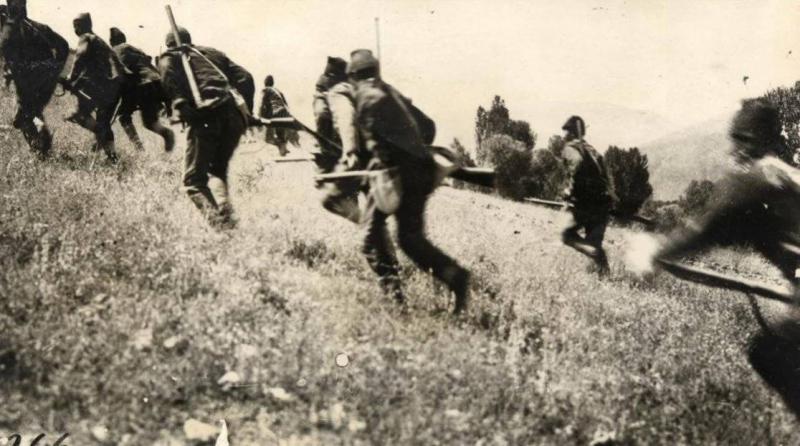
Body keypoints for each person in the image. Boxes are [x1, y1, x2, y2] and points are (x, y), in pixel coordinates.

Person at [631, 98, 800, 419]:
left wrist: (655, 253)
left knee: (768, 353)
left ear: (744, 141)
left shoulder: (754, 179)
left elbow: (706, 230)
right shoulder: (787, 175)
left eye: (738, 140)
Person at [348, 49, 470, 314]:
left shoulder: (365, 97)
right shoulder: (392, 93)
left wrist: (364, 163)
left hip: (396, 175)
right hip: (420, 171)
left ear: (354, 77)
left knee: (370, 240)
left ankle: (396, 304)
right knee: (410, 240)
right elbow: (427, 125)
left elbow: (371, 148)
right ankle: (456, 277)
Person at [158, 26, 249, 229]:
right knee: (217, 170)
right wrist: (247, 113)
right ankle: (227, 217)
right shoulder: (213, 54)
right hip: (234, 117)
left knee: (192, 182)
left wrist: (181, 105)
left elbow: (167, 76)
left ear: (169, 44)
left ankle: (222, 230)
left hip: (207, 115)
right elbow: (245, 77)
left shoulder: (171, 56)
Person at [0, 0, 69, 158]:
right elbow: (63, 46)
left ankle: (41, 151)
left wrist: (10, 74)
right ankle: (42, 148)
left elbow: (8, 52)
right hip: (47, 77)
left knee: (24, 118)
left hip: (27, 78)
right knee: (31, 113)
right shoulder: (40, 27)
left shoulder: (11, 28)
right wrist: (55, 68)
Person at [61, 12, 126, 162]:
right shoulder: (100, 41)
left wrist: (70, 78)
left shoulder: (86, 38)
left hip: (99, 85)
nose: (75, 30)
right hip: (113, 86)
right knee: (103, 121)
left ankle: (100, 134)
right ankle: (112, 158)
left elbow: (79, 58)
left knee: (78, 115)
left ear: (83, 25)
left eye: (76, 26)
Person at [560, 115, 617, 275]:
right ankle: (603, 277)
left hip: (585, 204)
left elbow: (576, 164)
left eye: (566, 132)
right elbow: (607, 177)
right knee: (593, 245)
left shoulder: (570, 148)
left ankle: (597, 256)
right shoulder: (594, 151)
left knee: (566, 235)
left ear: (571, 133)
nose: (564, 136)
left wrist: (568, 190)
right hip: (603, 204)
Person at [312, 56, 363, 223]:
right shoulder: (326, 93)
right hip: (334, 147)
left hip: (347, 148)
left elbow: (346, 119)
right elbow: (324, 117)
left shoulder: (343, 92)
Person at [109, 27, 175, 152]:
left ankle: (139, 148)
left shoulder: (117, 50)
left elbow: (120, 76)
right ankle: (167, 134)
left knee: (123, 117)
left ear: (112, 42)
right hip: (156, 83)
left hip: (141, 85)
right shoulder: (135, 50)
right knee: (150, 122)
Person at [259, 75, 295, 156]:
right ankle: (283, 151)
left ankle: (281, 147)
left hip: (276, 113)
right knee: (280, 136)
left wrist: (260, 117)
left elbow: (261, 104)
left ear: (265, 83)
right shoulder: (278, 91)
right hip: (284, 113)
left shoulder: (265, 90)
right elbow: (286, 104)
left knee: (267, 139)